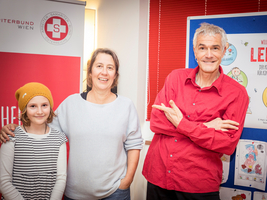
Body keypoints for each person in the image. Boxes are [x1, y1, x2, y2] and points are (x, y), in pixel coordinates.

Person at [0, 48, 143, 200]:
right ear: (90, 72)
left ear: (115, 75)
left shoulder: (126, 106)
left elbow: (134, 144)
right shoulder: (71, 103)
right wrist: (15, 127)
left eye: (110, 68)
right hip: (75, 194)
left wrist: (127, 181)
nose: (104, 72)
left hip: (115, 192)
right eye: (99, 66)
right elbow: (42, 127)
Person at [142, 23, 249, 200]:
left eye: (215, 48)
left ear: (224, 50)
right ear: (195, 51)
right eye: (202, 48)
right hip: (158, 176)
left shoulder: (236, 93)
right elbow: (156, 122)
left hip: (198, 185)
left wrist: (182, 123)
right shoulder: (175, 78)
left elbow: (226, 144)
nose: (208, 55)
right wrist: (206, 126)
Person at [0, 82, 67, 200]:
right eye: (33, 106)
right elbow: (3, 181)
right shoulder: (11, 136)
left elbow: (61, 178)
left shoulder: (59, 139)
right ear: (24, 109)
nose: (40, 111)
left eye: (44, 105)